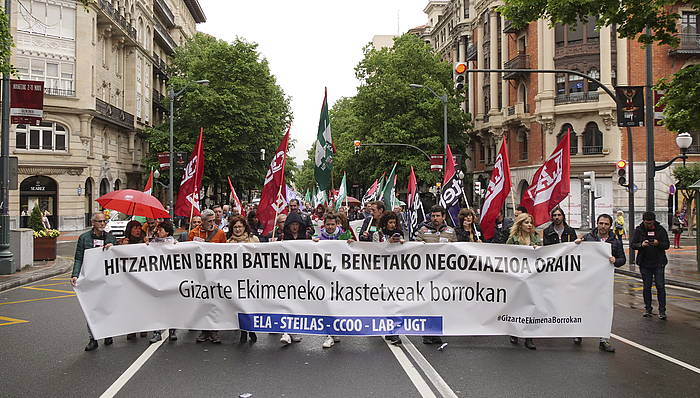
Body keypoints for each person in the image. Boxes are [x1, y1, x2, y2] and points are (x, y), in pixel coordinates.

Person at [575, 214, 626, 352]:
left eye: (606, 224)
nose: (603, 226)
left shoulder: (615, 241)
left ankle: (604, 339)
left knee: (604, 308)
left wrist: (616, 260)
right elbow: (575, 253)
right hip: (587, 279)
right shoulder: (588, 238)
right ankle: (579, 333)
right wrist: (577, 243)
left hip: (604, 282)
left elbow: (622, 259)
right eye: (601, 223)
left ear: (610, 226)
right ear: (597, 223)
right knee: (583, 306)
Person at [71, 212, 118, 351]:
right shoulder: (84, 238)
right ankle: (93, 339)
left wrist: (113, 248)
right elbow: (78, 257)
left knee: (107, 307)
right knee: (91, 309)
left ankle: (108, 334)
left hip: (106, 279)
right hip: (90, 278)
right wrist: (75, 274)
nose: (102, 224)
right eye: (99, 221)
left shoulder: (110, 238)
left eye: (104, 221)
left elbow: (117, 256)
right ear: (93, 223)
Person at [415, 205, 455, 345]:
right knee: (427, 304)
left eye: (438, 215)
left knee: (440, 303)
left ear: (443, 217)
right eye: (433, 216)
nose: (435, 218)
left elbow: (456, 250)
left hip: (443, 274)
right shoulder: (423, 231)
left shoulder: (450, 231)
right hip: (426, 273)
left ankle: (436, 332)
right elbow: (415, 248)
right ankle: (427, 333)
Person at [189, 209, 227, 343]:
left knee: (215, 303)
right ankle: (204, 331)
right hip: (200, 274)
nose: (212, 223)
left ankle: (214, 331)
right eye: (209, 221)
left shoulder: (220, 233)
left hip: (215, 274)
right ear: (203, 221)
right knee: (202, 303)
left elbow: (225, 252)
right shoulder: (193, 233)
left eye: (213, 221)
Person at [506, 213, 542, 350]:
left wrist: (537, 249)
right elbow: (506, 255)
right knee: (517, 306)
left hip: (532, 277)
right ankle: (514, 331)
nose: (529, 225)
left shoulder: (536, 238)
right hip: (517, 277)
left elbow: (543, 254)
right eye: (526, 222)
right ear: (520, 224)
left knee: (531, 306)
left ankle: (529, 337)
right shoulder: (513, 239)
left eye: (531, 222)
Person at [631, 211, 670, 319]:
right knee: (647, 287)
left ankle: (662, 311)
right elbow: (633, 244)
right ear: (643, 221)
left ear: (654, 221)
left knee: (660, 286)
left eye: (651, 223)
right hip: (644, 263)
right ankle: (648, 308)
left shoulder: (660, 230)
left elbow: (667, 245)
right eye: (647, 223)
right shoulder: (639, 230)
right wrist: (641, 245)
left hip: (659, 262)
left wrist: (658, 244)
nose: (649, 225)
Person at [280, 212, 312, 345]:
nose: (294, 227)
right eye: (292, 224)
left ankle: (294, 330)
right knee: (286, 302)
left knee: (297, 303)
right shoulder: (282, 237)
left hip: (300, 275)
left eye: (296, 224)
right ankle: (286, 331)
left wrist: (315, 243)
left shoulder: (305, 236)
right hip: (286, 274)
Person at [226, 215, 259, 344]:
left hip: (251, 278)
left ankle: (251, 329)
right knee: (240, 306)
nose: (238, 229)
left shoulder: (253, 240)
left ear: (245, 227)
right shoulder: (229, 243)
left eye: (240, 226)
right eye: (235, 227)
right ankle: (243, 331)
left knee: (250, 306)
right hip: (236, 279)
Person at [148, 220, 178, 343]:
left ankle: (172, 330)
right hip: (158, 280)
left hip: (171, 279)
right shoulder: (154, 243)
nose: (158, 232)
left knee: (171, 305)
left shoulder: (174, 243)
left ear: (167, 232)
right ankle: (156, 332)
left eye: (161, 230)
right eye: (158, 230)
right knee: (157, 306)